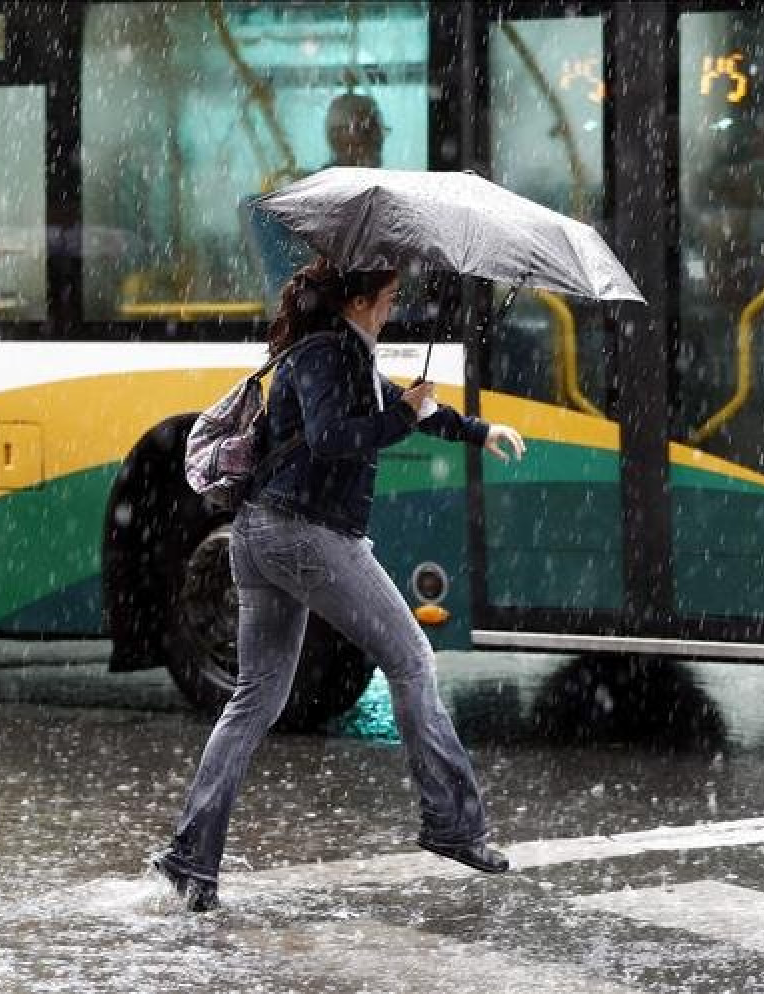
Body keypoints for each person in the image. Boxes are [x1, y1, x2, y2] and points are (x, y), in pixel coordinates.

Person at [153, 256, 525, 912]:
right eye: (388, 298)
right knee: (411, 659)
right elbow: (332, 439)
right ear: (357, 302)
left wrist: (475, 429)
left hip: (259, 534)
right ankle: (453, 824)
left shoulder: (334, 350)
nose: (393, 309)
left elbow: (399, 403)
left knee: (255, 699)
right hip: (306, 534)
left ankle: (191, 859)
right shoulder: (331, 355)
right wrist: (402, 419)